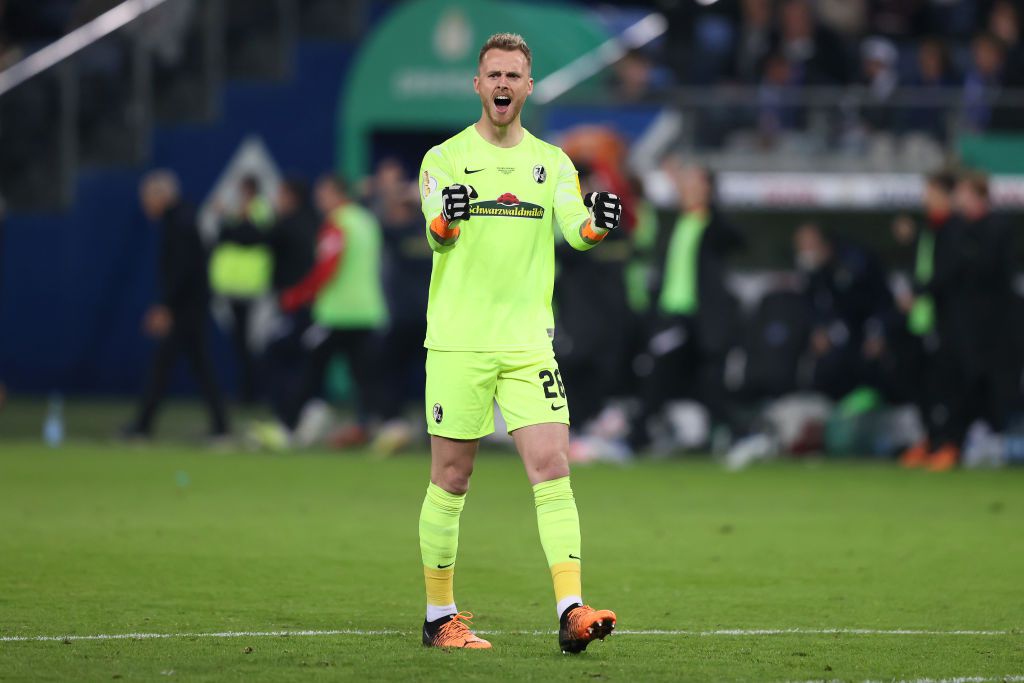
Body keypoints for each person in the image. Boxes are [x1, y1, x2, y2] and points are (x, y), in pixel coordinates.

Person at [415, 33, 621, 653]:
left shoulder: (553, 162)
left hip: (529, 344)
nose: (503, 84)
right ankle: (438, 617)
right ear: (477, 85)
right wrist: (447, 216)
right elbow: (437, 232)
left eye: (514, 75)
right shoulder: (443, 160)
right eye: (493, 74)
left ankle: (571, 610)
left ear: (528, 87)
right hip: (459, 343)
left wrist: (596, 223)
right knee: (451, 479)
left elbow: (575, 228)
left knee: (553, 467)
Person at [627, 162, 743, 453]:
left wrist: (709, 204)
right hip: (674, 318)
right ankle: (638, 437)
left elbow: (735, 239)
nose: (686, 191)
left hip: (701, 320)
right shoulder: (678, 223)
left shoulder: (711, 226)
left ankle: (739, 434)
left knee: (706, 384)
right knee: (659, 376)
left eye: (694, 185)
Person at [273, 174, 391, 446]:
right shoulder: (366, 220)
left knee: (309, 370)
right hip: (368, 312)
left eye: (323, 194)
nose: (319, 200)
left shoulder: (337, 223)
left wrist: (297, 296)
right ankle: (385, 424)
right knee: (366, 376)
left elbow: (327, 267)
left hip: (337, 313)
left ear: (337, 194)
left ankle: (287, 427)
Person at [124, 170, 229, 440]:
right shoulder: (184, 216)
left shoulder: (179, 221)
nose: (145, 203)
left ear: (161, 196)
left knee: (169, 367)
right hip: (190, 304)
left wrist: (165, 305)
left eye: (147, 197)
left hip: (186, 307)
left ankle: (143, 427)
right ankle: (220, 426)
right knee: (192, 367)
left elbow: (182, 269)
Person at [897, 172, 965, 470]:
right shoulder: (928, 230)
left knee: (947, 383)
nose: (926, 197)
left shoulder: (956, 229)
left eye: (930, 192)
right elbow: (921, 268)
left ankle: (949, 443)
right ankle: (931, 439)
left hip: (949, 317)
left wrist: (920, 291)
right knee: (919, 379)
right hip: (922, 318)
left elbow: (948, 273)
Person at [208, 175, 274, 402]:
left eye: (243, 190)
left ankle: (250, 392)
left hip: (249, 285)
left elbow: (250, 237)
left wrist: (231, 219)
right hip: (233, 285)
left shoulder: (260, 211)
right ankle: (245, 390)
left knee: (248, 341)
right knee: (239, 341)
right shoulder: (237, 212)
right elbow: (223, 237)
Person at [262, 176, 319, 428]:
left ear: (291, 197)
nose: (277, 200)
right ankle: (304, 412)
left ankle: (289, 417)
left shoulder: (286, 225)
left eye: (281, 195)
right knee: (301, 358)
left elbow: (256, 238)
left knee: (279, 355)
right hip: (310, 304)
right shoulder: (316, 222)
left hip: (296, 304)